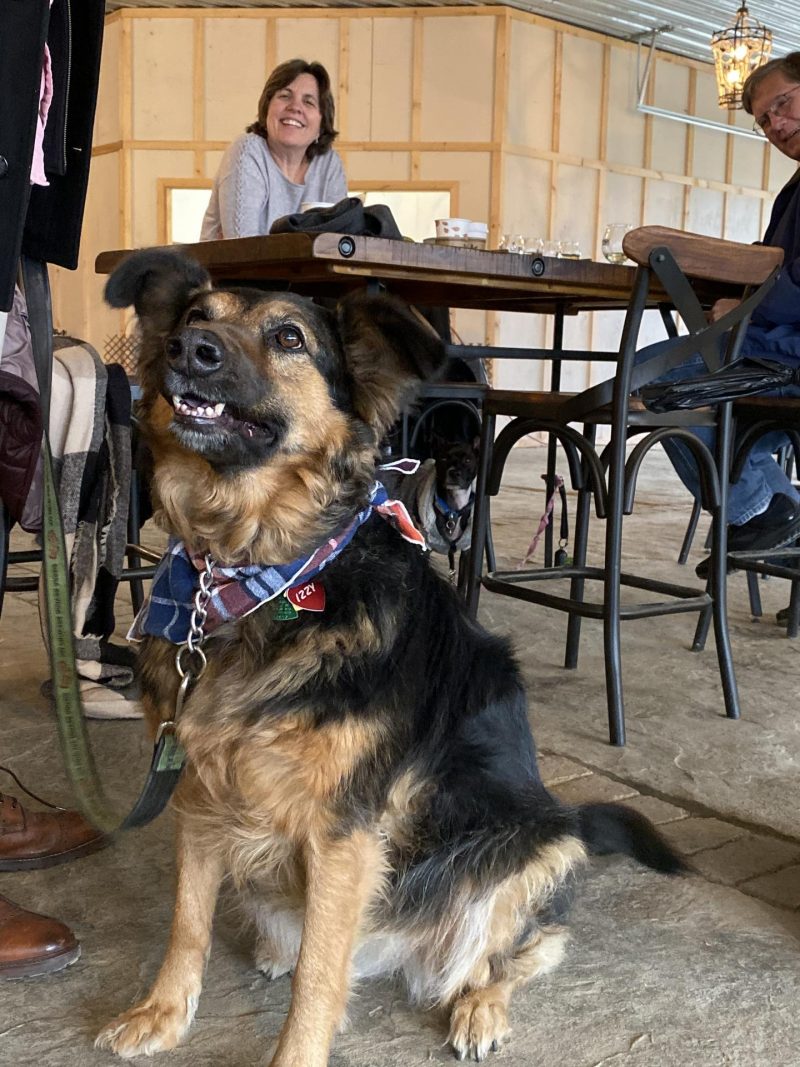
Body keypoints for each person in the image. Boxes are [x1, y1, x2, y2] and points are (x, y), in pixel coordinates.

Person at [651, 52, 800, 581]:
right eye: (764, 120)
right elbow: (773, 262)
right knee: (658, 373)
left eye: (782, 104)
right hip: (776, 347)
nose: (775, 125)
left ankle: (768, 509)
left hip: (790, 359)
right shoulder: (795, 189)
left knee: (657, 383)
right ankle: (770, 509)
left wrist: (746, 307)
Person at [200, 58, 347, 241]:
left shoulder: (329, 165)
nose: (295, 107)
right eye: (285, 96)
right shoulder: (247, 151)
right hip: (235, 270)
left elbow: (337, 249)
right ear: (267, 107)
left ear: (321, 123)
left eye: (309, 102)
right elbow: (242, 247)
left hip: (300, 270)